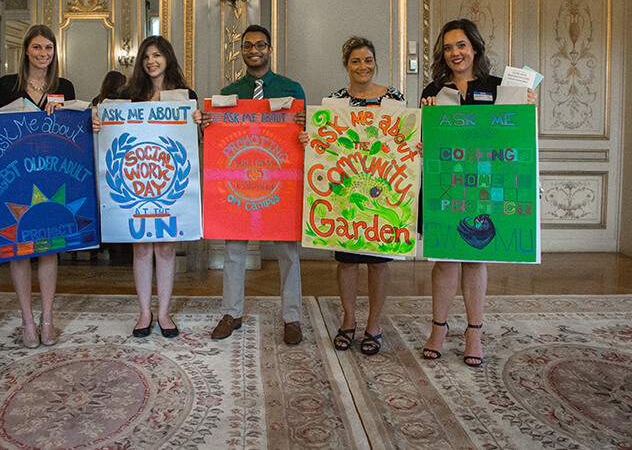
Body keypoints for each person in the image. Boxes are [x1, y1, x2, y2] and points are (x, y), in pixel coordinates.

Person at [420, 18, 536, 367]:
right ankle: (438, 329)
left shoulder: (499, 87)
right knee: (445, 258)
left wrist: (528, 105)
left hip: (487, 185)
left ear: (475, 48)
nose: (455, 52)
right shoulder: (432, 90)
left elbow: (515, 134)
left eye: (461, 45)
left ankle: (474, 332)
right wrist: (425, 125)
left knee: (474, 258)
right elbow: (423, 141)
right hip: (447, 184)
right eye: (449, 46)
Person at [195, 24, 307, 346]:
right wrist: (207, 122)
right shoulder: (229, 93)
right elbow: (221, 137)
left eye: (260, 45)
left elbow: (303, 135)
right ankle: (231, 313)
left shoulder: (293, 89)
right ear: (241, 51)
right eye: (248, 46)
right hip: (241, 183)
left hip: (281, 182)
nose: (254, 51)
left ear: (270, 50)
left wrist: (306, 122)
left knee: (288, 251)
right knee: (234, 250)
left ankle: (292, 316)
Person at [99, 35, 198, 339]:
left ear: (168, 57)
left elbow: (195, 139)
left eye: (157, 55)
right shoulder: (129, 94)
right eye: (146, 57)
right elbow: (108, 128)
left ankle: (164, 313)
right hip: (136, 180)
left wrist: (199, 121)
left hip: (170, 184)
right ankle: (145, 312)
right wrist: (96, 121)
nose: (151, 61)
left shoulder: (185, 95)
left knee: (166, 248)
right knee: (141, 248)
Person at [0, 24, 76, 348]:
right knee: (20, 250)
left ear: (55, 53)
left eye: (49, 49)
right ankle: (27, 319)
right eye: (37, 48)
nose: (43, 54)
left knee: (50, 249)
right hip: (15, 177)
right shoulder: (6, 85)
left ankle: (48, 317)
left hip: (53, 177)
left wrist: (70, 112)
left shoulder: (64, 86)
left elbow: (72, 131)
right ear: (26, 49)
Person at [322, 36, 404, 355]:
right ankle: (348, 320)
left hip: (382, 192)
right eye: (355, 61)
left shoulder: (393, 98)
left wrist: (415, 145)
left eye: (368, 60)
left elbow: (403, 139)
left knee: (378, 263)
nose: (363, 66)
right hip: (346, 194)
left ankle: (374, 323)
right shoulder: (334, 102)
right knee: (346, 261)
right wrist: (309, 138)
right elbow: (325, 145)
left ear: (375, 63)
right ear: (346, 66)